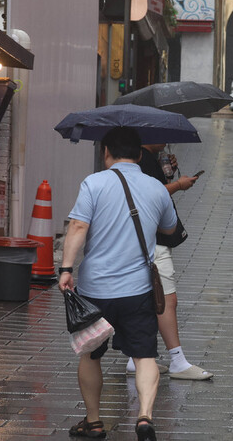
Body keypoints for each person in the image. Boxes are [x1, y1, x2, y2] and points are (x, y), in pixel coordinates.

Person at [59, 127, 177, 440]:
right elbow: (169, 228)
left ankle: (95, 422)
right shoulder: (156, 188)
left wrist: (66, 268)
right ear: (140, 155)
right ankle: (144, 418)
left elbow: (78, 226)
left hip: (95, 289)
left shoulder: (93, 183)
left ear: (106, 152)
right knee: (144, 356)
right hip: (138, 290)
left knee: (91, 354)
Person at [125, 143, 213, 380]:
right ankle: (177, 361)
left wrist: (168, 173)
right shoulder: (140, 158)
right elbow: (146, 195)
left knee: (145, 296)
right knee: (166, 298)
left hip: (139, 237)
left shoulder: (146, 157)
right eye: (160, 135)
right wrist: (177, 185)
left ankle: (137, 358)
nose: (165, 141)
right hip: (152, 238)